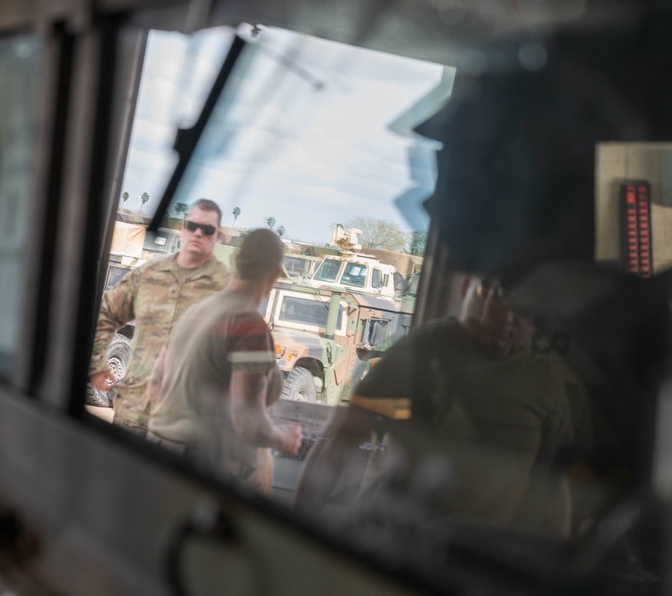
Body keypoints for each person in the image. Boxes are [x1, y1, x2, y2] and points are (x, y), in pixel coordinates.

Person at [295, 275, 573, 536]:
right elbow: (349, 434)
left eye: (525, 311)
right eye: (501, 299)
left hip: (486, 553)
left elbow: (554, 483)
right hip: (399, 534)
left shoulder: (543, 381)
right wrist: (300, 525)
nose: (510, 319)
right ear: (469, 288)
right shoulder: (425, 350)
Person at [145, 229, 303, 495]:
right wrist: (284, 438)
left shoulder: (194, 312)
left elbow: (155, 386)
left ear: (235, 263)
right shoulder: (247, 324)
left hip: (157, 455)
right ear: (275, 276)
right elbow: (248, 421)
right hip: (199, 470)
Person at [89, 198, 230, 434]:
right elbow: (106, 313)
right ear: (181, 229)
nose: (197, 233)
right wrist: (97, 364)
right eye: (191, 226)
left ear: (217, 236)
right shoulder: (149, 274)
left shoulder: (225, 290)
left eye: (206, 230)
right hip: (133, 412)